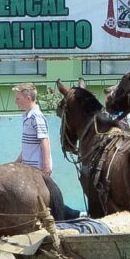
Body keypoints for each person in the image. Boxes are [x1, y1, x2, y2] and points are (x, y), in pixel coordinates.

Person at [15, 83, 80, 222]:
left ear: (28, 98)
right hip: (28, 165)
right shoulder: (27, 116)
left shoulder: (36, 117)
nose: (16, 101)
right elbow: (28, 144)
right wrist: (17, 161)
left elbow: (44, 141)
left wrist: (45, 166)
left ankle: (70, 214)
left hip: (37, 166)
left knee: (44, 198)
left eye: (18, 98)